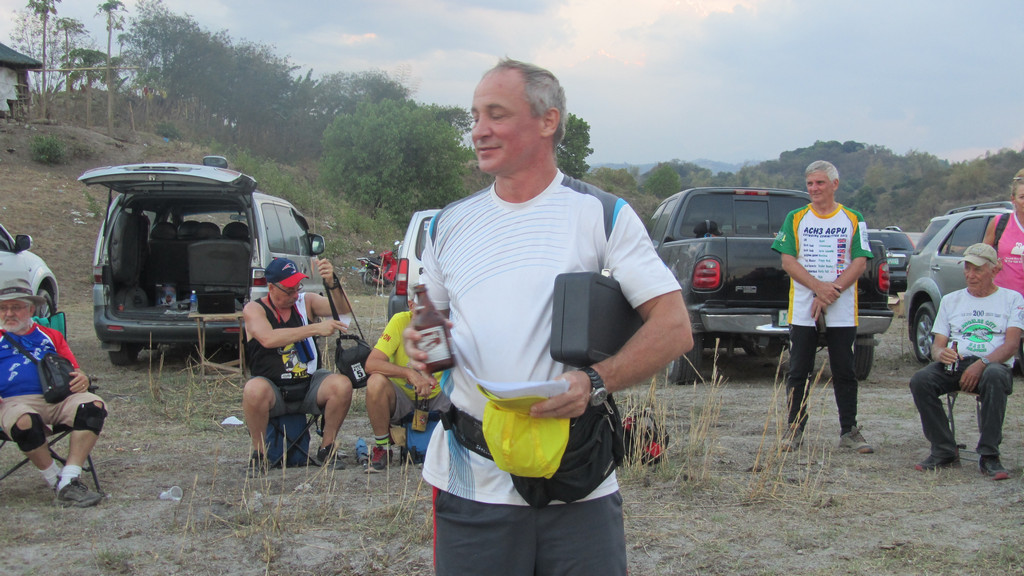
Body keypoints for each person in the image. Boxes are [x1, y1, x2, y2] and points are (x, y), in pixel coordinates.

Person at [403, 58, 691, 575]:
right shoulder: (448, 223)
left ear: (547, 120)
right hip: (472, 480)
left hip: (577, 480)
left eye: (496, 114)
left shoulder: (602, 214)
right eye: (475, 116)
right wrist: (423, 349)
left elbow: (674, 327)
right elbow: (428, 321)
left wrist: (596, 381)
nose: (478, 130)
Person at [772, 160, 875, 453]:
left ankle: (849, 431)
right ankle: (794, 429)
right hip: (804, 306)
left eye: (819, 183)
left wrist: (833, 290)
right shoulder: (796, 217)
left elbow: (860, 261)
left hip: (841, 306)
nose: (814, 189)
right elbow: (788, 261)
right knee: (798, 369)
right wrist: (817, 287)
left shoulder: (853, 218)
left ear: (834, 184)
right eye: (810, 184)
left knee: (844, 369)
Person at [909, 243, 1023, 479]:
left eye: (978, 270)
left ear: (994, 270)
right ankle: (944, 449)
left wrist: (982, 363)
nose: (970, 275)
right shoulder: (951, 300)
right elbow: (937, 345)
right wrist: (941, 354)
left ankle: (989, 455)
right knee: (921, 380)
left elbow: (1012, 345)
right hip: (957, 363)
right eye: (968, 268)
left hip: (994, 365)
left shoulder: (1012, 299)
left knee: (994, 375)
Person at [0, 278, 107, 507]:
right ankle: (55, 480)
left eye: (16, 307)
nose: (8, 313)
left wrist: (83, 378)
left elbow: (74, 370)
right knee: (24, 421)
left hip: (56, 398)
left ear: (31, 309)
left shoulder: (51, 336)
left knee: (93, 406)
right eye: (3, 308)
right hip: (10, 403)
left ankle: (69, 478)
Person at [242, 257, 354, 473]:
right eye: (288, 291)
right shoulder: (254, 309)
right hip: (272, 388)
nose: (295, 295)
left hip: (308, 384)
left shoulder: (306, 301)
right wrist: (314, 329)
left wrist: (332, 283)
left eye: (297, 288)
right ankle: (259, 454)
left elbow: (343, 308)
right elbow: (268, 338)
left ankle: (327, 448)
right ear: (271, 287)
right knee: (253, 389)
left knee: (341, 385)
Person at [363, 294, 451, 472]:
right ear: (411, 305)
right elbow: (371, 364)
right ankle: (383, 447)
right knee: (375, 382)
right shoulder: (399, 321)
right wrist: (409, 373)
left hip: (441, 395)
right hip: (404, 397)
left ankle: (468, 446)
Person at [983, 167, 1024, 296]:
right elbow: (981, 257)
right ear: (1013, 199)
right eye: (1022, 197)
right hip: (1003, 299)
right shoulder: (999, 223)